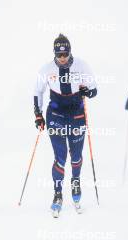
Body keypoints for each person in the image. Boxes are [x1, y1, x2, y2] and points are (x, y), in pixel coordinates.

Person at [34, 34, 97, 215]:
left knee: (76, 156)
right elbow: (37, 91)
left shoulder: (82, 65)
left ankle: (75, 184)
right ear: (54, 53)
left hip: (76, 114)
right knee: (60, 157)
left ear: (70, 52)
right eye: (59, 54)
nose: (62, 58)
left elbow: (94, 89)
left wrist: (88, 91)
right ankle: (58, 193)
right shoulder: (46, 69)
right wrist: (38, 114)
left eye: (65, 54)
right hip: (55, 115)